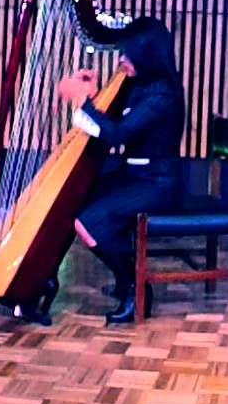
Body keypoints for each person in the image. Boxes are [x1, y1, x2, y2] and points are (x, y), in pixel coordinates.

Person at [23, 17, 185, 325]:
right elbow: (111, 119)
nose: (121, 59)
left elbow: (116, 134)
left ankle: (138, 290)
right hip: (136, 176)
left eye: (128, 54)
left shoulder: (160, 95)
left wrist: (82, 102)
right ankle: (47, 278)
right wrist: (93, 93)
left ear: (147, 55)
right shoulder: (138, 84)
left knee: (89, 222)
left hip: (159, 183)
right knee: (75, 199)